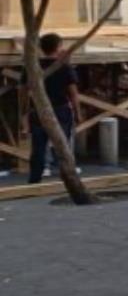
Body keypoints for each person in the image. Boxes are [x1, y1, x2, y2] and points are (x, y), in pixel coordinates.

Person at [23, 33, 82, 184]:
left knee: (38, 147)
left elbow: (24, 92)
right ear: (58, 47)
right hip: (60, 109)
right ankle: (68, 177)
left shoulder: (32, 66)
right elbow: (73, 94)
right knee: (62, 145)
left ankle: (35, 179)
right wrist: (78, 113)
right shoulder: (64, 67)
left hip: (38, 109)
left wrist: (25, 115)